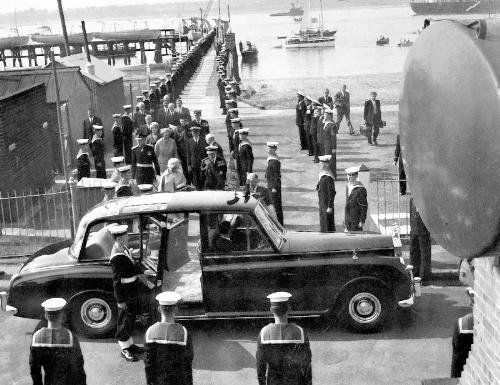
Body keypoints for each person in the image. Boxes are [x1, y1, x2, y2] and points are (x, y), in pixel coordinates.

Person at [256, 292, 312, 385]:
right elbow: (307, 364)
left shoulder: (264, 334)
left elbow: (260, 366)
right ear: (289, 309)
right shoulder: (300, 332)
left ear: (271, 310)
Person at [29, 298, 86, 385]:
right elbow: (78, 367)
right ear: (63, 315)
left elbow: (34, 369)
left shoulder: (37, 337)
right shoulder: (70, 337)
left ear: (45, 315)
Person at [108, 224, 142, 362]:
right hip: (126, 293)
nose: (128, 237)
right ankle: (124, 349)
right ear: (121, 238)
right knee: (125, 320)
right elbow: (116, 281)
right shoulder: (116, 256)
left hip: (131, 289)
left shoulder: (122, 247)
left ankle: (130, 345)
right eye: (126, 236)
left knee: (130, 318)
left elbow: (130, 261)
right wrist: (120, 300)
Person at [144, 292, 193, 385]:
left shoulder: (150, 332)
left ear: (159, 309)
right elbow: (187, 364)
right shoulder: (184, 333)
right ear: (176, 309)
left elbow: (148, 364)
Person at [409, 197, 432, 283]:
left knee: (424, 254)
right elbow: (411, 214)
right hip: (414, 230)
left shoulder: (426, 199)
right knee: (414, 252)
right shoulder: (412, 199)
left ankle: (424, 277)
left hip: (423, 230)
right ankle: (414, 274)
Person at [344, 166, 368, 231]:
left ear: (356, 176)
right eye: (348, 175)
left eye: (351, 175)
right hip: (348, 219)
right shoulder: (348, 186)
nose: (349, 177)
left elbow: (363, 206)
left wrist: (362, 220)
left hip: (356, 220)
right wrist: (346, 221)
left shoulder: (361, 189)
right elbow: (347, 204)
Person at [265, 142, 284, 225]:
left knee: (276, 206)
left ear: (273, 149)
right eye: (268, 148)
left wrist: (274, 187)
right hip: (270, 184)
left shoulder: (274, 161)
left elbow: (277, 176)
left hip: (273, 187)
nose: (268, 150)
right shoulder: (271, 158)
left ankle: (279, 224)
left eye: (269, 148)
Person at [316, 155, 336, 232]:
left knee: (327, 223)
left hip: (326, 204)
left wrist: (330, 206)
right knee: (324, 222)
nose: (319, 165)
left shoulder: (328, 177)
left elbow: (332, 193)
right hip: (322, 202)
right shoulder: (323, 174)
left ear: (326, 165)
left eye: (321, 164)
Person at [319, 107, 338, 178]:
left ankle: (333, 174)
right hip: (325, 145)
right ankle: (327, 173)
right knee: (326, 160)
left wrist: (333, 148)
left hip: (329, 145)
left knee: (331, 161)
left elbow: (333, 137)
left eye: (325, 114)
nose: (324, 115)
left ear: (329, 116)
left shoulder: (332, 125)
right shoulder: (326, 123)